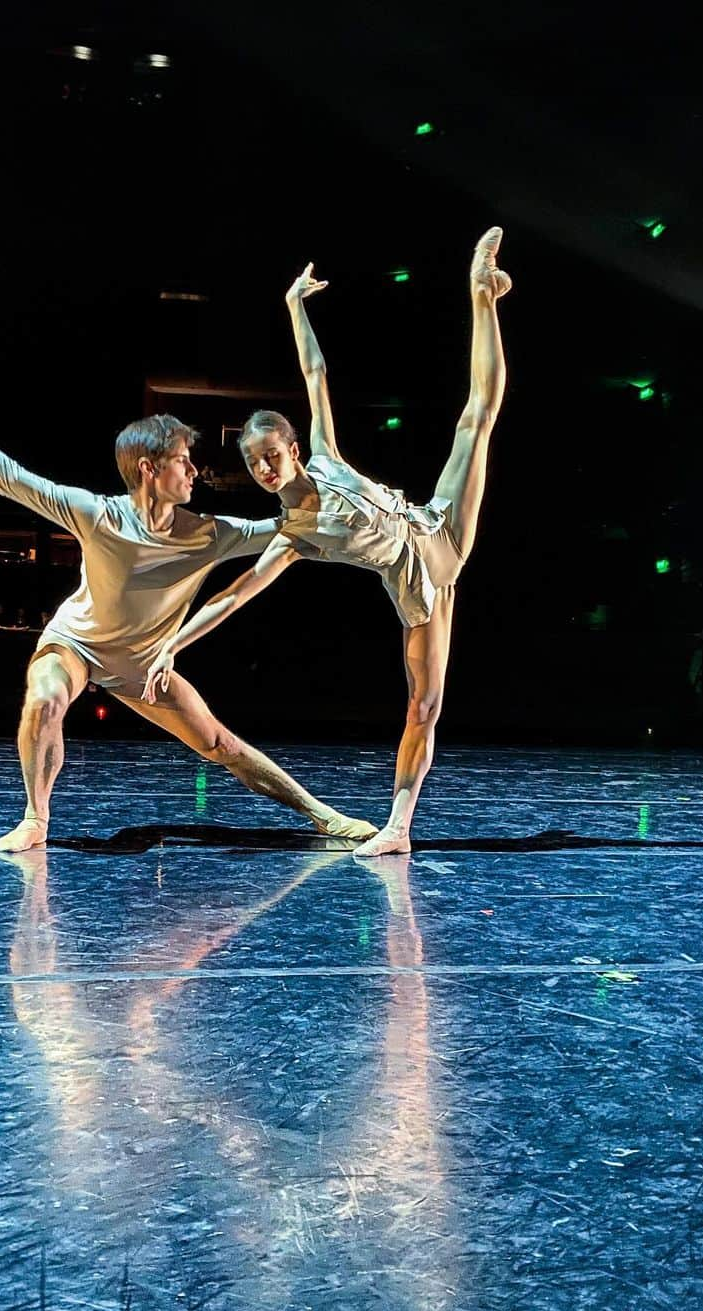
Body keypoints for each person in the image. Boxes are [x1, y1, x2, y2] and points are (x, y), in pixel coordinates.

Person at [0, 385, 376, 850]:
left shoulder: (210, 533)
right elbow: (3, 473)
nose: (195, 470)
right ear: (150, 469)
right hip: (75, 645)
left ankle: (323, 817)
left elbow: (294, 530)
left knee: (219, 744)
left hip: (143, 665)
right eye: (183, 461)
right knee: (46, 698)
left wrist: (355, 514)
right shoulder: (96, 514)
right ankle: (35, 818)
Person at [143, 228, 510, 857]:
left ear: (290, 447)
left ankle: (484, 295)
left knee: (475, 418)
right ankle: (399, 827)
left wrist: (294, 305)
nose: (265, 469)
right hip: (419, 585)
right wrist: (170, 644)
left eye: (271, 454)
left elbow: (316, 371)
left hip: (434, 525)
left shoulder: (327, 458)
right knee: (423, 707)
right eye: (254, 464)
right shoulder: (291, 537)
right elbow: (233, 596)